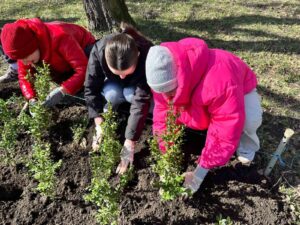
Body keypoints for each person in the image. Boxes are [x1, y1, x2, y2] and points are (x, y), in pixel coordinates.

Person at [145, 38, 263, 194]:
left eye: (170, 91)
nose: (166, 96)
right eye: (163, 92)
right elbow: (163, 117)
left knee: (249, 120)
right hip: (198, 94)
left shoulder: (220, 81)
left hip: (238, 91)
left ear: (180, 79)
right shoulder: (163, 82)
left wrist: (199, 172)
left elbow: (225, 126)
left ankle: (246, 147)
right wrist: (167, 157)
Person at [84, 23, 153, 174]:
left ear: (138, 57)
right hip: (113, 85)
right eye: (117, 72)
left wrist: (130, 141)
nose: (122, 76)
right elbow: (91, 88)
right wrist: (98, 122)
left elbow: (141, 100)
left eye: (126, 72)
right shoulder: (99, 51)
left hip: (136, 86)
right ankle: (111, 111)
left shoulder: (147, 54)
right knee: (111, 94)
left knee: (130, 94)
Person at [0, 18, 96, 106]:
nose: (24, 63)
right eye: (20, 59)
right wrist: (31, 98)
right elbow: (24, 76)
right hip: (61, 62)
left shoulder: (60, 37)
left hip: (85, 52)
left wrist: (64, 90)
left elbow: (83, 68)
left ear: (34, 45)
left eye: (25, 57)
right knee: (63, 81)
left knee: (89, 75)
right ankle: (77, 89)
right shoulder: (24, 50)